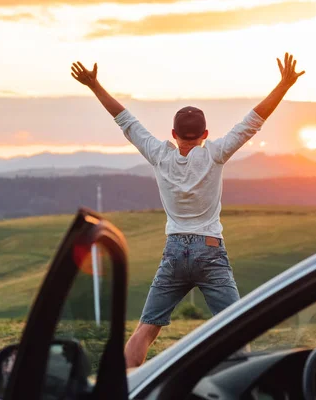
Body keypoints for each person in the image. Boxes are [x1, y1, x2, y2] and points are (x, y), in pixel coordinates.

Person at [71, 53, 304, 368]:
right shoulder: (215, 154)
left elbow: (124, 119)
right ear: (205, 135)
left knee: (146, 330)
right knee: (235, 329)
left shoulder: (159, 154)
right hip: (210, 249)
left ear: (173, 134)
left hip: (175, 249)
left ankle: (123, 389)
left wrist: (94, 85)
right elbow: (253, 121)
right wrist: (284, 85)